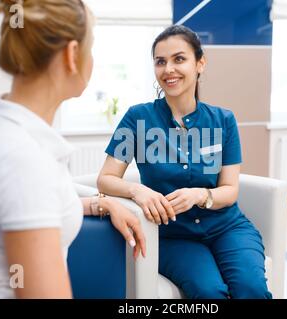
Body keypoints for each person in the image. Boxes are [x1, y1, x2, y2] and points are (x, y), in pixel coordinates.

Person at [0, 0, 145, 299]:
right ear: (72, 54)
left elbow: (34, 208)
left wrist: (101, 203)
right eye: (91, 48)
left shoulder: (12, 130)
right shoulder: (23, 159)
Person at [97, 25, 272, 299]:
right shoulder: (136, 118)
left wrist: (200, 195)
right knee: (208, 292)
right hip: (173, 236)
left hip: (227, 227)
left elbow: (230, 190)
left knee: (251, 289)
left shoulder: (223, 120)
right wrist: (137, 190)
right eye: (160, 61)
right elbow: (105, 179)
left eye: (179, 59)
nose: (169, 69)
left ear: (199, 63)